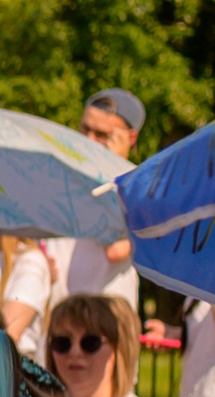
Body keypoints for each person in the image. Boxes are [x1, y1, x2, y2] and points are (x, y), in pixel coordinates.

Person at [52, 88, 146, 309]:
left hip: (106, 322)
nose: (89, 141)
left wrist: (104, 173)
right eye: (85, 130)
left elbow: (115, 250)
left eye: (102, 135)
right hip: (58, 319)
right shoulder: (62, 180)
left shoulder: (137, 190)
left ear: (131, 138)